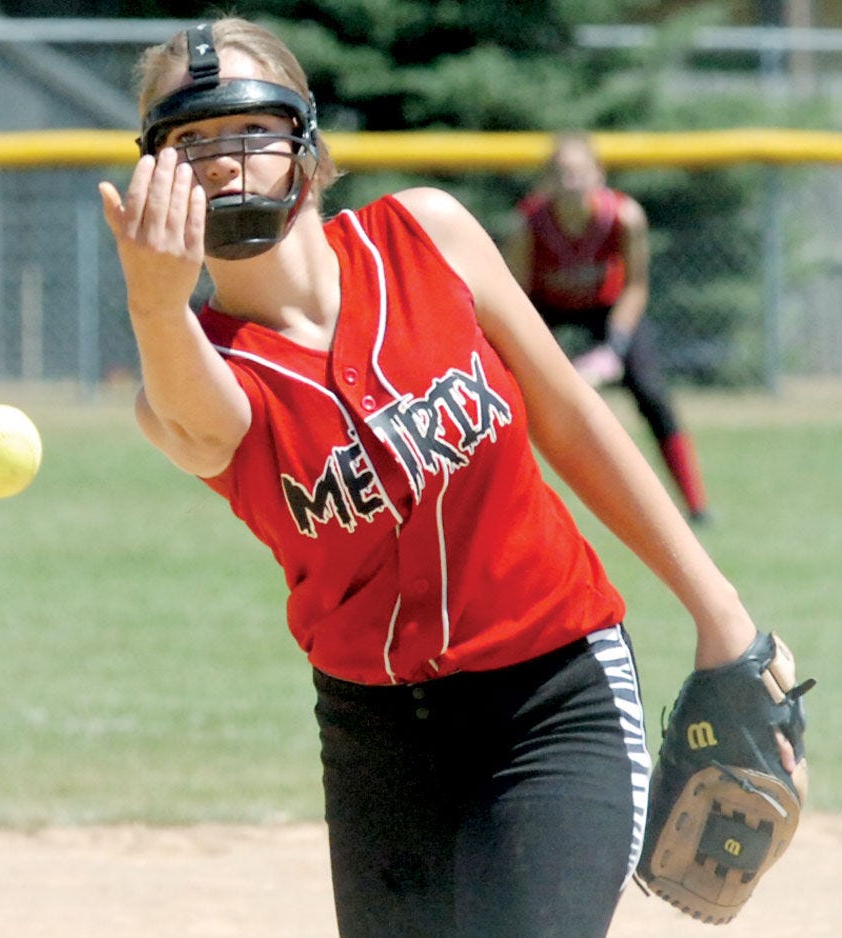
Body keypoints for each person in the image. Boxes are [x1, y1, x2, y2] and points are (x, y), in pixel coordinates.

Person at [99, 18, 791, 937]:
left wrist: (723, 619)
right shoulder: (198, 378)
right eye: (189, 141)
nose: (223, 162)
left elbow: (573, 421)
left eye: (248, 129)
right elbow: (199, 412)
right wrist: (154, 298)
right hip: (377, 741)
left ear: (304, 141)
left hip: (554, 697)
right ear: (156, 171)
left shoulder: (427, 236)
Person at [503, 132, 710, 523]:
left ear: (599, 174)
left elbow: (636, 287)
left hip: (608, 310)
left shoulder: (624, 217)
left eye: (580, 172)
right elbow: (512, 294)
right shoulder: (528, 224)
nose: (572, 182)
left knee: (652, 395)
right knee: (508, 397)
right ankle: (510, 507)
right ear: (548, 178)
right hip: (544, 310)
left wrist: (614, 346)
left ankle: (696, 504)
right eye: (562, 173)